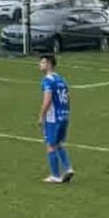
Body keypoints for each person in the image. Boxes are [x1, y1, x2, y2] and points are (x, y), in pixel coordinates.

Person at [38, 54, 74, 184]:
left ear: (48, 64)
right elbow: (68, 97)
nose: (40, 65)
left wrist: (41, 115)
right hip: (64, 115)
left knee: (50, 145)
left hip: (52, 118)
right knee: (58, 143)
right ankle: (68, 168)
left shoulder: (47, 80)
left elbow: (47, 99)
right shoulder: (62, 79)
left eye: (42, 62)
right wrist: (66, 112)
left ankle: (55, 175)